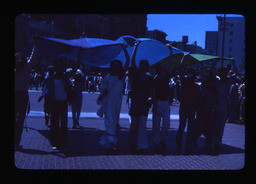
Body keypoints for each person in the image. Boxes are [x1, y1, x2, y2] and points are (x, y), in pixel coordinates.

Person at [43, 49, 81, 154]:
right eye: (57, 65)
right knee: (54, 125)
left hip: (63, 103)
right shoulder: (50, 79)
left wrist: (79, 54)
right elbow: (47, 92)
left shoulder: (65, 77)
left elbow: (76, 67)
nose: (59, 67)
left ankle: (63, 144)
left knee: (64, 125)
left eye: (61, 65)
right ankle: (55, 145)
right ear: (55, 67)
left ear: (63, 67)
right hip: (54, 103)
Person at [97, 43, 130, 153]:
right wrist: (101, 97)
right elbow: (103, 90)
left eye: (118, 65)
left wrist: (124, 49)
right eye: (114, 65)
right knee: (110, 120)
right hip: (108, 103)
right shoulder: (107, 77)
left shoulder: (121, 77)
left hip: (117, 103)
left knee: (114, 121)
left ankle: (109, 140)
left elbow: (128, 61)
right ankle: (113, 142)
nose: (116, 67)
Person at [128, 40, 153, 154]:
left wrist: (150, 98)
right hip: (135, 102)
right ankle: (132, 143)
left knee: (142, 125)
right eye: (143, 65)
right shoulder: (135, 74)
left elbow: (151, 91)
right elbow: (132, 61)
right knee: (134, 124)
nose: (145, 67)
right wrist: (135, 47)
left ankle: (142, 145)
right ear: (140, 66)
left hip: (144, 104)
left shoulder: (149, 78)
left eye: (146, 65)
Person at [175, 53, 201, 154]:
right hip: (185, 106)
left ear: (194, 76)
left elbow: (181, 69)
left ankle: (188, 145)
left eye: (192, 74)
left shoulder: (196, 86)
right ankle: (179, 141)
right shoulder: (185, 82)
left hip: (190, 107)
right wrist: (184, 57)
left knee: (189, 127)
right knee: (183, 126)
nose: (191, 75)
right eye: (190, 74)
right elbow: (180, 68)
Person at [14, 44, 37, 151]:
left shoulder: (26, 68)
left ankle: (16, 143)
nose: (18, 60)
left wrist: (35, 45)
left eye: (20, 58)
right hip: (18, 94)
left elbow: (33, 57)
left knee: (20, 121)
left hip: (23, 95)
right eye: (17, 58)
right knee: (16, 121)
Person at [151, 43, 173, 154]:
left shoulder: (166, 77)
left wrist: (170, 52)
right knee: (155, 125)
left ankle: (161, 140)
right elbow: (153, 94)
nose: (163, 70)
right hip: (158, 102)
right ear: (159, 70)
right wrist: (154, 105)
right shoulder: (155, 80)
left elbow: (170, 64)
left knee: (166, 124)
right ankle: (156, 143)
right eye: (162, 69)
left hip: (166, 102)